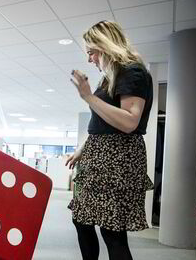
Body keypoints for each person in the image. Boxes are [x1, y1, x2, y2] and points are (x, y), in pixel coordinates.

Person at [65, 20, 154, 260]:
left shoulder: (132, 71)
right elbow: (102, 122)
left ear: (106, 46)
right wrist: (82, 149)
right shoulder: (109, 77)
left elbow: (129, 122)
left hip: (118, 159)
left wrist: (87, 97)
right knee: (81, 219)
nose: (89, 59)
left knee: (112, 232)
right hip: (99, 155)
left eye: (92, 52)